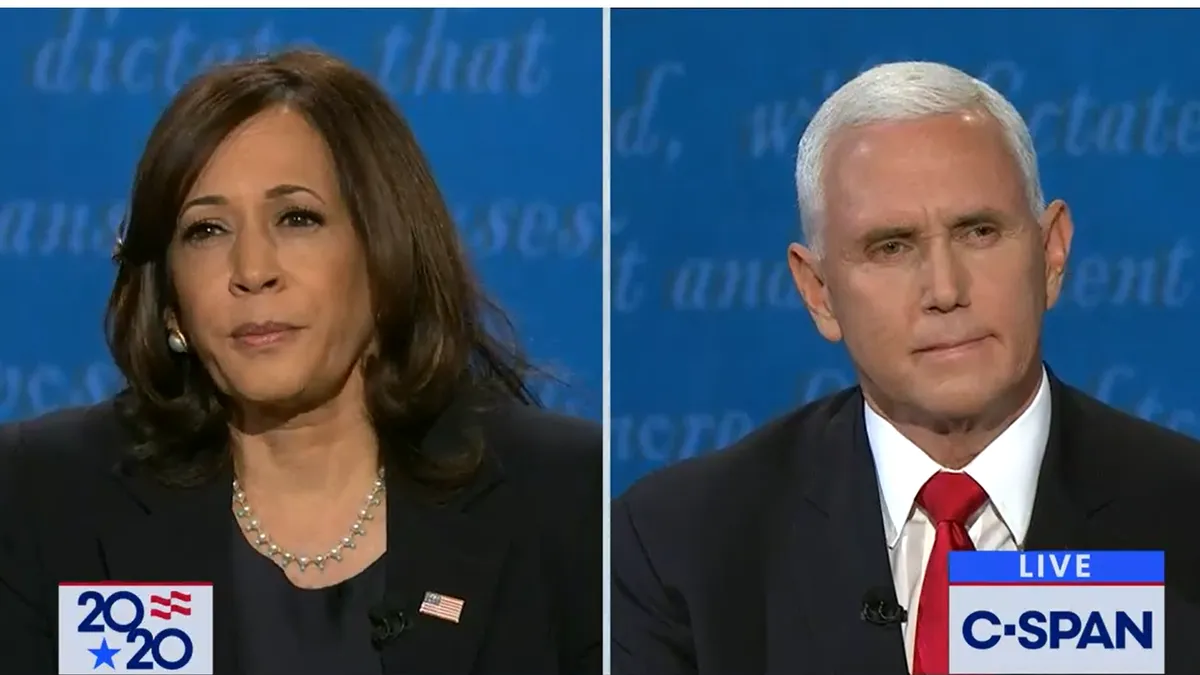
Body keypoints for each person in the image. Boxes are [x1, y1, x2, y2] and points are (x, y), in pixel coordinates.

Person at [0, 50, 600, 675]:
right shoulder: (44, 497)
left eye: (297, 218)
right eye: (206, 231)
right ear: (170, 300)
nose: (253, 271)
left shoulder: (564, 496)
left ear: (385, 255)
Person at [612, 61, 1200, 674]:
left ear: (1051, 252)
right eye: (890, 247)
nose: (945, 289)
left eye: (978, 231)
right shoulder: (680, 546)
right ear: (818, 292)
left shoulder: (1188, 514)